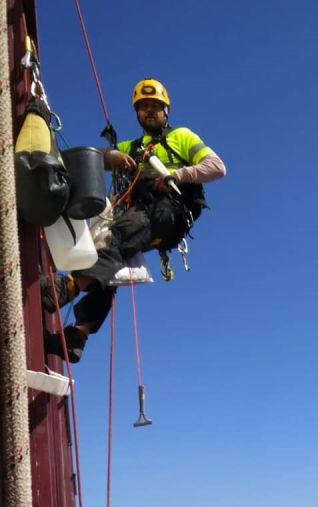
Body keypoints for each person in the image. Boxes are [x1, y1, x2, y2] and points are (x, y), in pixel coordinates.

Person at [43, 79, 226, 362]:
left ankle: (68, 287)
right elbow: (96, 157)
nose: (150, 112)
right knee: (113, 266)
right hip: (140, 214)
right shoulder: (135, 147)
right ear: (137, 114)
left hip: (170, 212)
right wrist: (114, 156)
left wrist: (177, 175)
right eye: (144, 107)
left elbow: (216, 167)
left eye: (156, 107)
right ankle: (78, 335)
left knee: (118, 239)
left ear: (166, 111)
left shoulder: (182, 137)